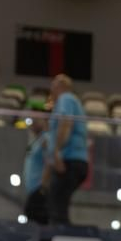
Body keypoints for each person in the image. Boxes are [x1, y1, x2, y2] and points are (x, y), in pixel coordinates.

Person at [44, 74, 89, 226]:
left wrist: (57, 152)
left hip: (69, 159)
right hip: (74, 160)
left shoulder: (66, 99)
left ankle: (60, 234)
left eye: (53, 86)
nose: (51, 90)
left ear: (61, 86)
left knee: (56, 204)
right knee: (59, 202)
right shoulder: (72, 101)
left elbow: (66, 123)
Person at [20, 105, 52, 226]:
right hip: (32, 190)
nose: (32, 123)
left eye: (36, 119)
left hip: (40, 190)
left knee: (35, 221)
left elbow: (50, 162)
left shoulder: (46, 139)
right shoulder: (35, 140)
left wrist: (43, 187)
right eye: (30, 120)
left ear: (44, 120)